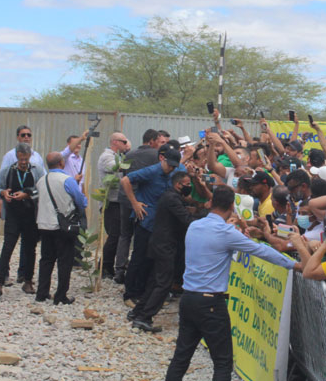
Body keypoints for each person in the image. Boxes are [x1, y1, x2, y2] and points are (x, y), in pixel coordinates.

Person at [164, 186, 298, 381]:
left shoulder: (194, 226)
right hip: (210, 303)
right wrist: (294, 265)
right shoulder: (226, 232)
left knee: (181, 356)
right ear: (230, 206)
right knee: (222, 362)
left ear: (211, 203)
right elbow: (261, 251)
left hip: (188, 298)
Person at [130, 171, 200, 332]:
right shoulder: (173, 199)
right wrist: (208, 219)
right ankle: (144, 317)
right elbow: (187, 221)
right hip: (165, 246)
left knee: (155, 281)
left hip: (160, 243)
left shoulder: (171, 196)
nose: (189, 187)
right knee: (163, 283)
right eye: (187, 184)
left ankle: (138, 312)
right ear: (178, 185)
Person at [120, 145, 184, 306]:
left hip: (162, 224)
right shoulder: (152, 171)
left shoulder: (174, 173)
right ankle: (130, 294)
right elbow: (125, 180)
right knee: (138, 257)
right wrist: (134, 203)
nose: (171, 168)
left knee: (153, 260)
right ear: (162, 159)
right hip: (146, 220)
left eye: (174, 166)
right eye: (169, 165)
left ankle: (145, 293)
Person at [115, 129, 168, 284]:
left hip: (125, 198)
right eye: (159, 141)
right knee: (142, 239)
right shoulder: (156, 156)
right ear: (152, 141)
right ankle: (139, 273)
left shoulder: (129, 155)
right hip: (143, 202)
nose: (160, 145)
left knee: (124, 235)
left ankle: (119, 270)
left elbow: (124, 175)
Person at [34, 152, 88, 305]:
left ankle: (42, 292)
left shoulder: (41, 180)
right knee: (65, 261)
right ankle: (61, 295)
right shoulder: (67, 180)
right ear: (62, 164)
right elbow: (80, 200)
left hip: (44, 225)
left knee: (46, 259)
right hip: (63, 227)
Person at [0, 143, 44, 297]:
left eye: (25, 159)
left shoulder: (37, 171)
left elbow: (42, 190)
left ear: (29, 157)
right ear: (16, 157)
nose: (23, 162)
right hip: (13, 215)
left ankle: (28, 280)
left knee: (30, 249)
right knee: (7, 247)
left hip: (30, 216)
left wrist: (27, 194)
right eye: (20, 159)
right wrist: (3, 193)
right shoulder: (7, 171)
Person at [97, 132, 130, 279]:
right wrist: (130, 154)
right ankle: (104, 266)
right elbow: (117, 168)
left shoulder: (116, 156)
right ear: (115, 142)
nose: (126, 144)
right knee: (114, 235)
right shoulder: (107, 157)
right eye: (124, 141)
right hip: (110, 202)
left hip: (117, 201)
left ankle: (106, 265)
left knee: (115, 235)